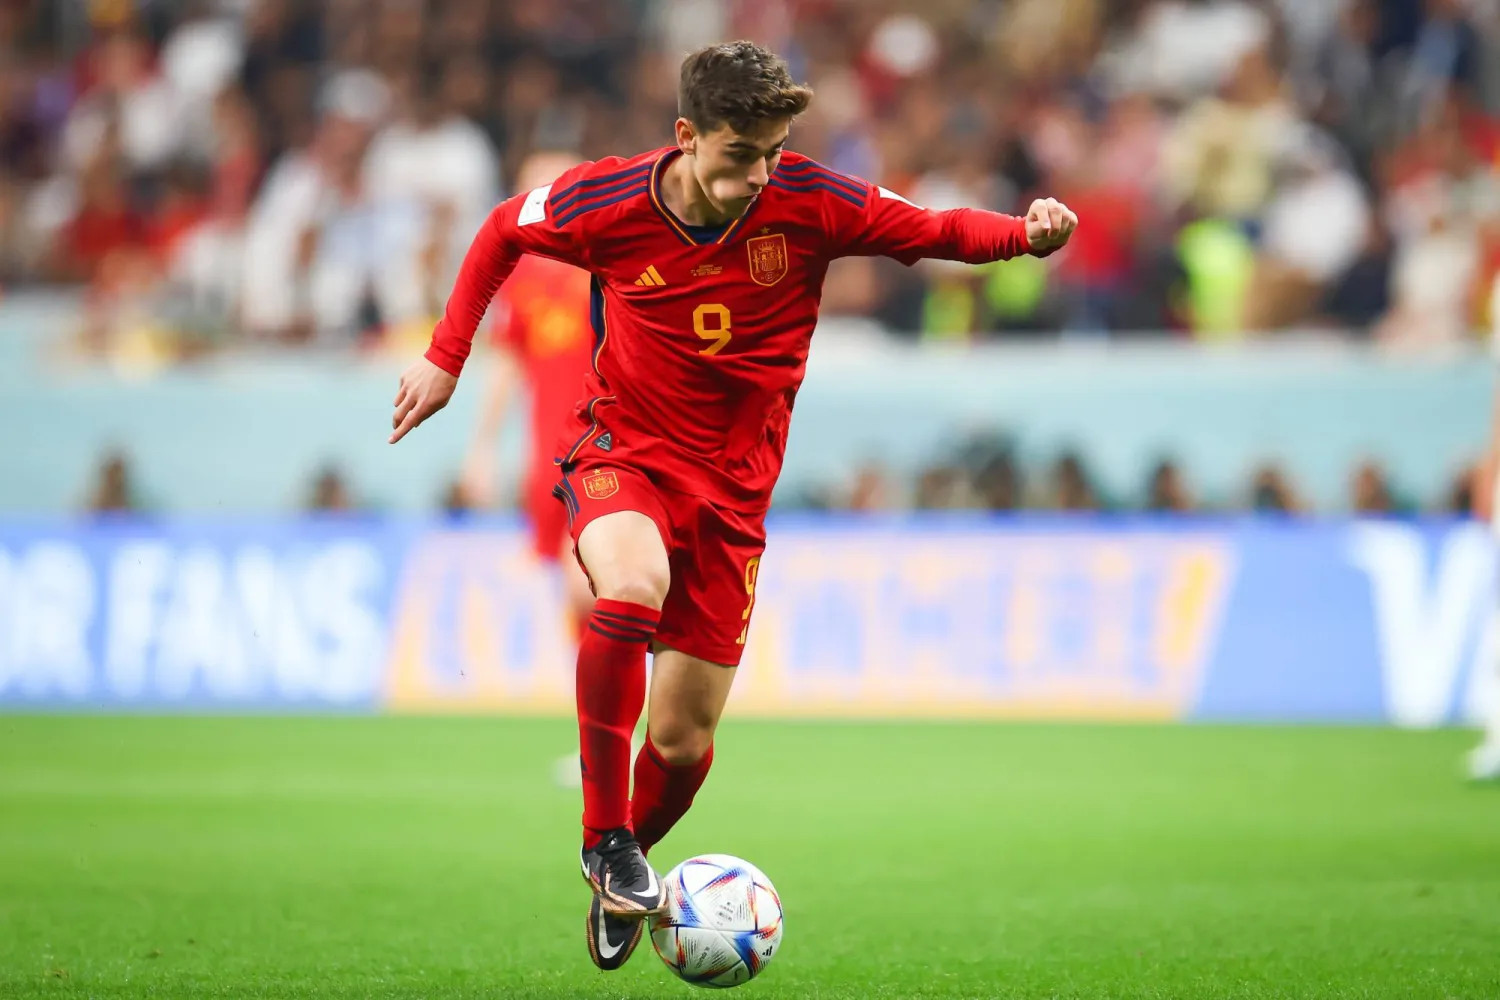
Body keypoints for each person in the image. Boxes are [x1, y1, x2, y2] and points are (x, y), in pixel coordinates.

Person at [388, 41, 1077, 970]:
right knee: (627, 588)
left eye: (771, 153)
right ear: (685, 136)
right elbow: (504, 229)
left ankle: (625, 863)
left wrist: (1023, 235)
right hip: (623, 450)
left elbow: (933, 229)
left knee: (681, 740)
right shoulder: (609, 201)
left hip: (734, 497)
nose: (757, 176)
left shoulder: (812, 200)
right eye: (738, 155)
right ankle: (606, 843)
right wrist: (445, 357)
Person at [461, 150, 597, 638]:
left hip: (608, 447)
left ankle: (616, 699)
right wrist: (482, 450)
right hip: (549, 459)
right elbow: (505, 364)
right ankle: (598, 706)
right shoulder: (520, 277)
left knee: (590, 579)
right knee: (574, 588)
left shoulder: (609, 266)